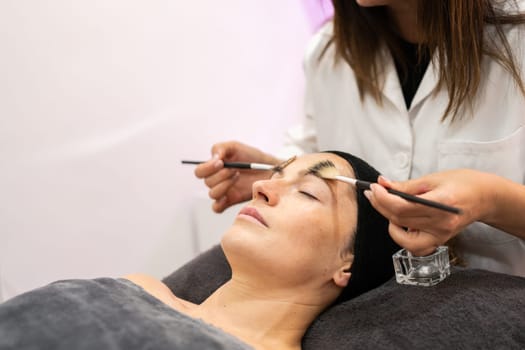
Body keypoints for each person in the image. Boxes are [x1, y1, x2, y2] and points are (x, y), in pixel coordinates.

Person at [194, 0, 525, 276]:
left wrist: (492, 200)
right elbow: (318, 149)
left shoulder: (517, 42)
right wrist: (279, 170)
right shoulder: (329, 51)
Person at [0, 151, 400, 350]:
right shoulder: (141, 288)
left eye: (310, 192)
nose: (262, 187)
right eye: (277, 175)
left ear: (347, 262)